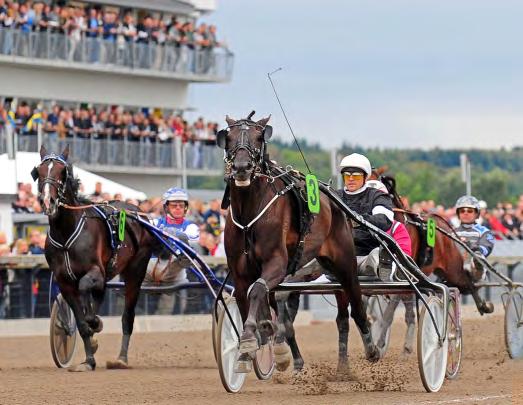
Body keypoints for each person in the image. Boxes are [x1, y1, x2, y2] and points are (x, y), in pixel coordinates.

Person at [337, 153, 394, 281]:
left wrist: (357, 220)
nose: (351, 179)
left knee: (376, 255)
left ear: (365, 177)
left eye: (356, 176)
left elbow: (384, 220)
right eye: (347, 175)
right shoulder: (334, 196)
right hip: (337, 257)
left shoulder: (377, 196)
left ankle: (388, 271)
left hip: (366, 255)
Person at [144, 187, 199, 315]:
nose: (178, 208)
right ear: (166, 207)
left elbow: (191, 240)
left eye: (181, 205)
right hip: (151, 267)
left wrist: (166, 232)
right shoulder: (155, 221)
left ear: (186, 208)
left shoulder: (191, 227)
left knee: (167, 308)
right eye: (174, 205)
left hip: (174, 272)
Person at [454, 195, 495, 281]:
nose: (465, 213)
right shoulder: (451, 231)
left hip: (474, 271)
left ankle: (477, 269)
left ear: (477, 214)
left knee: (478, 256)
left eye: (469, 211)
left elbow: (487, 248)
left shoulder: (484, 231)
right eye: (462, 211)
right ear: (458, 214)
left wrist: (477, 248)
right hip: (454, 268)